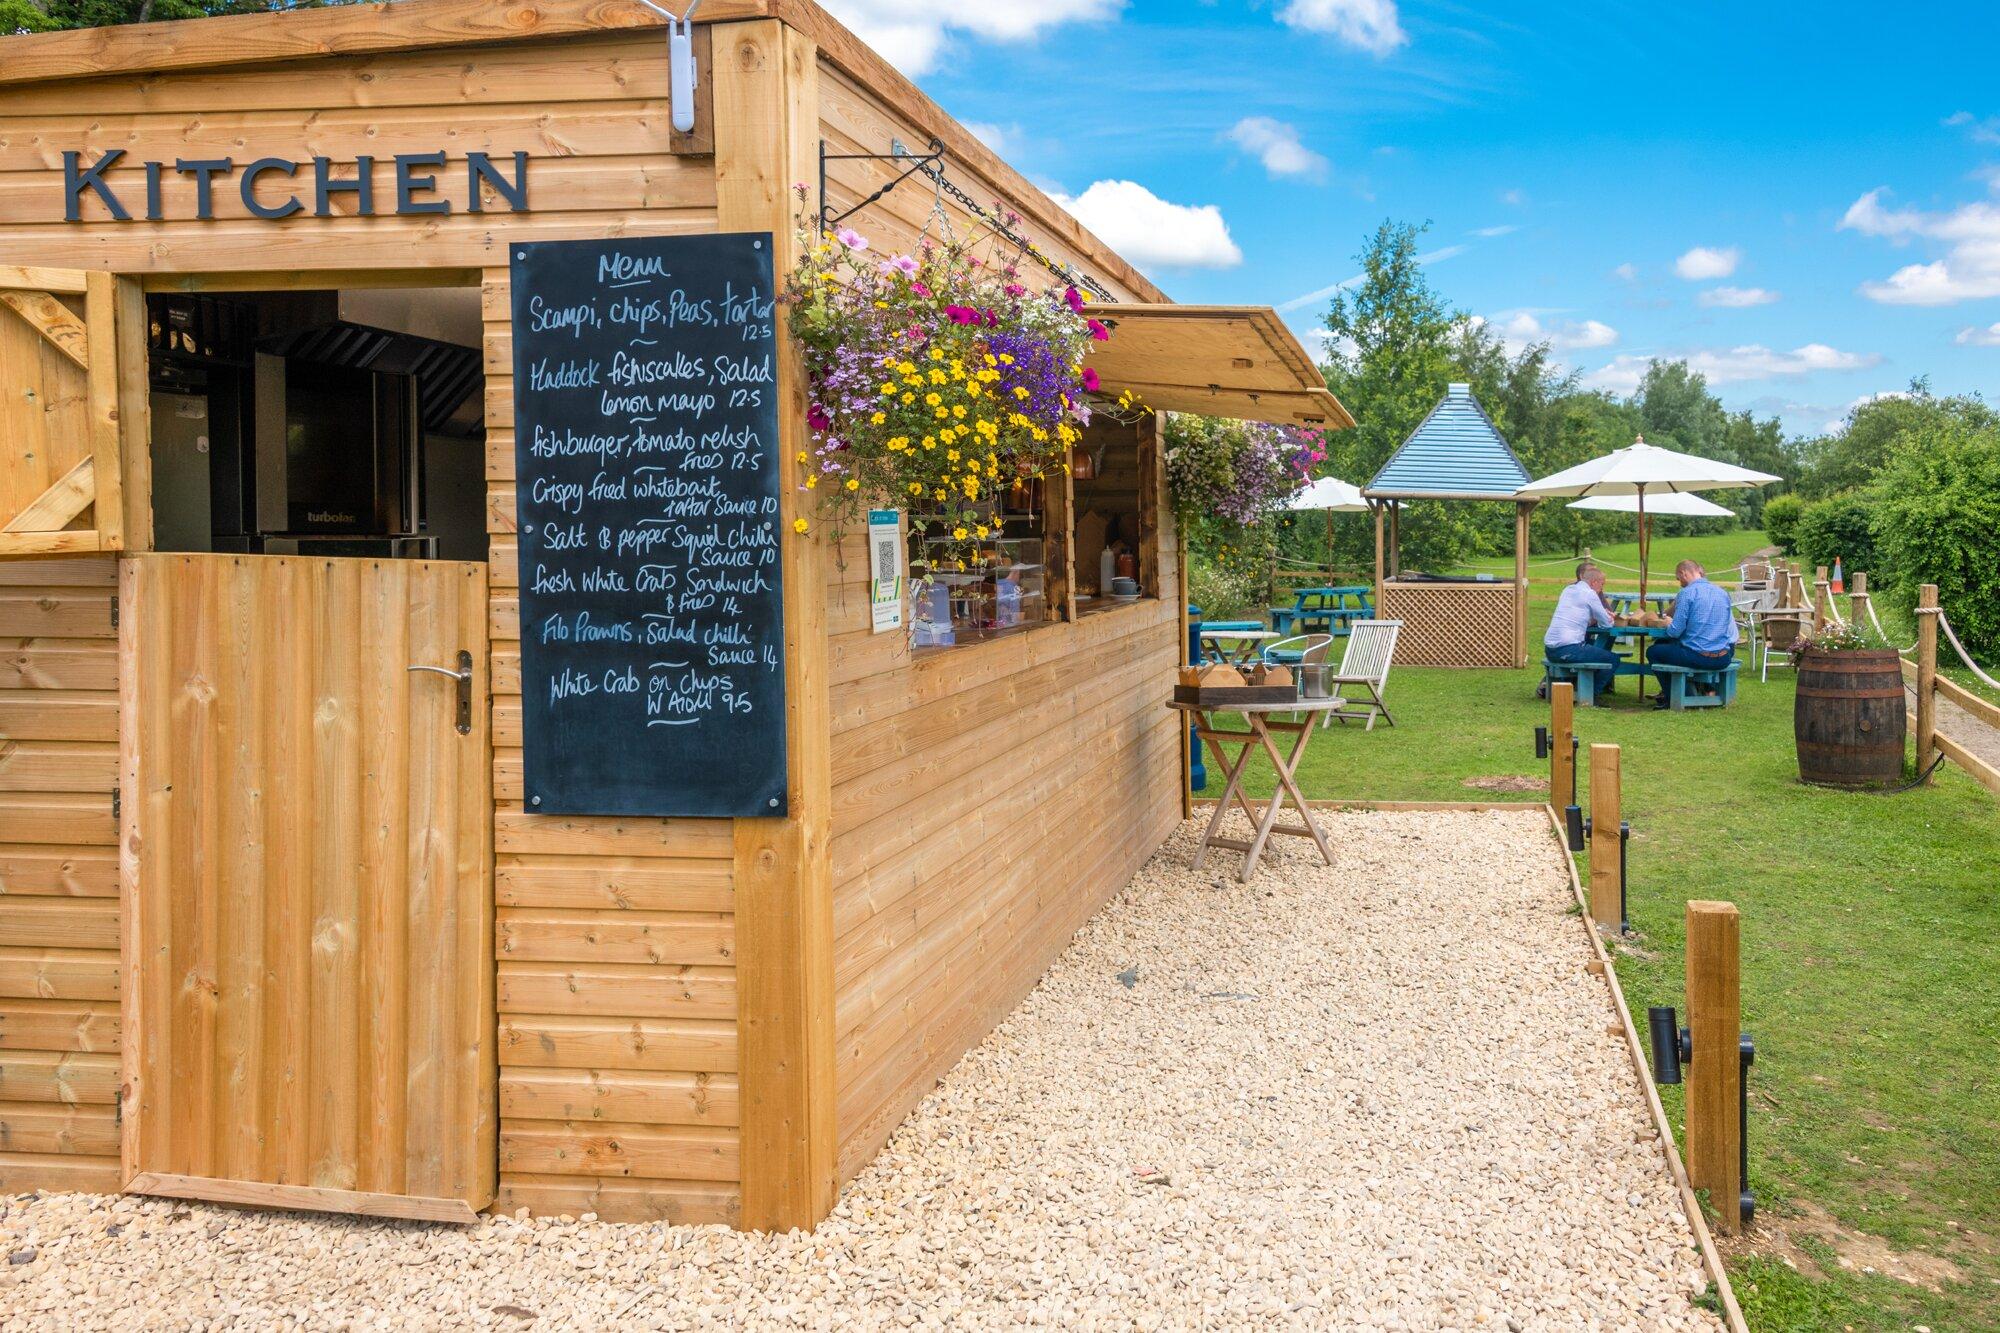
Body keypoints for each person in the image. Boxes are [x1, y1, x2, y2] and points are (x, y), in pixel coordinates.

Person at [1646, 559, 1739, 707]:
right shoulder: (1722, 593)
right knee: (1667, 646)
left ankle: (1678, 696)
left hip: (1698, 656)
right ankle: (1703, 690)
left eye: (1678, 578)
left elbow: (1675, 632)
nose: (1679, 582)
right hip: (1723, 656)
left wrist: (1668, 623)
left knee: (1653, 651)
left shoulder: (1687, 593)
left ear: (1683, 573)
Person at [1544, 562, 1621, 703]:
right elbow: (1606, 624)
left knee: (1593, 651)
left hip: (1550, 649)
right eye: (1602, 584)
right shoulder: (1590, 594)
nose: (1601, 588)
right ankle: (1590, 695)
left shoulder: (1568, 589)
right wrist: (1610, 616)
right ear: (1594, 582)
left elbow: (1575, 614)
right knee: (1613, 659)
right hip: (1568, 649)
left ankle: (1575, 689)